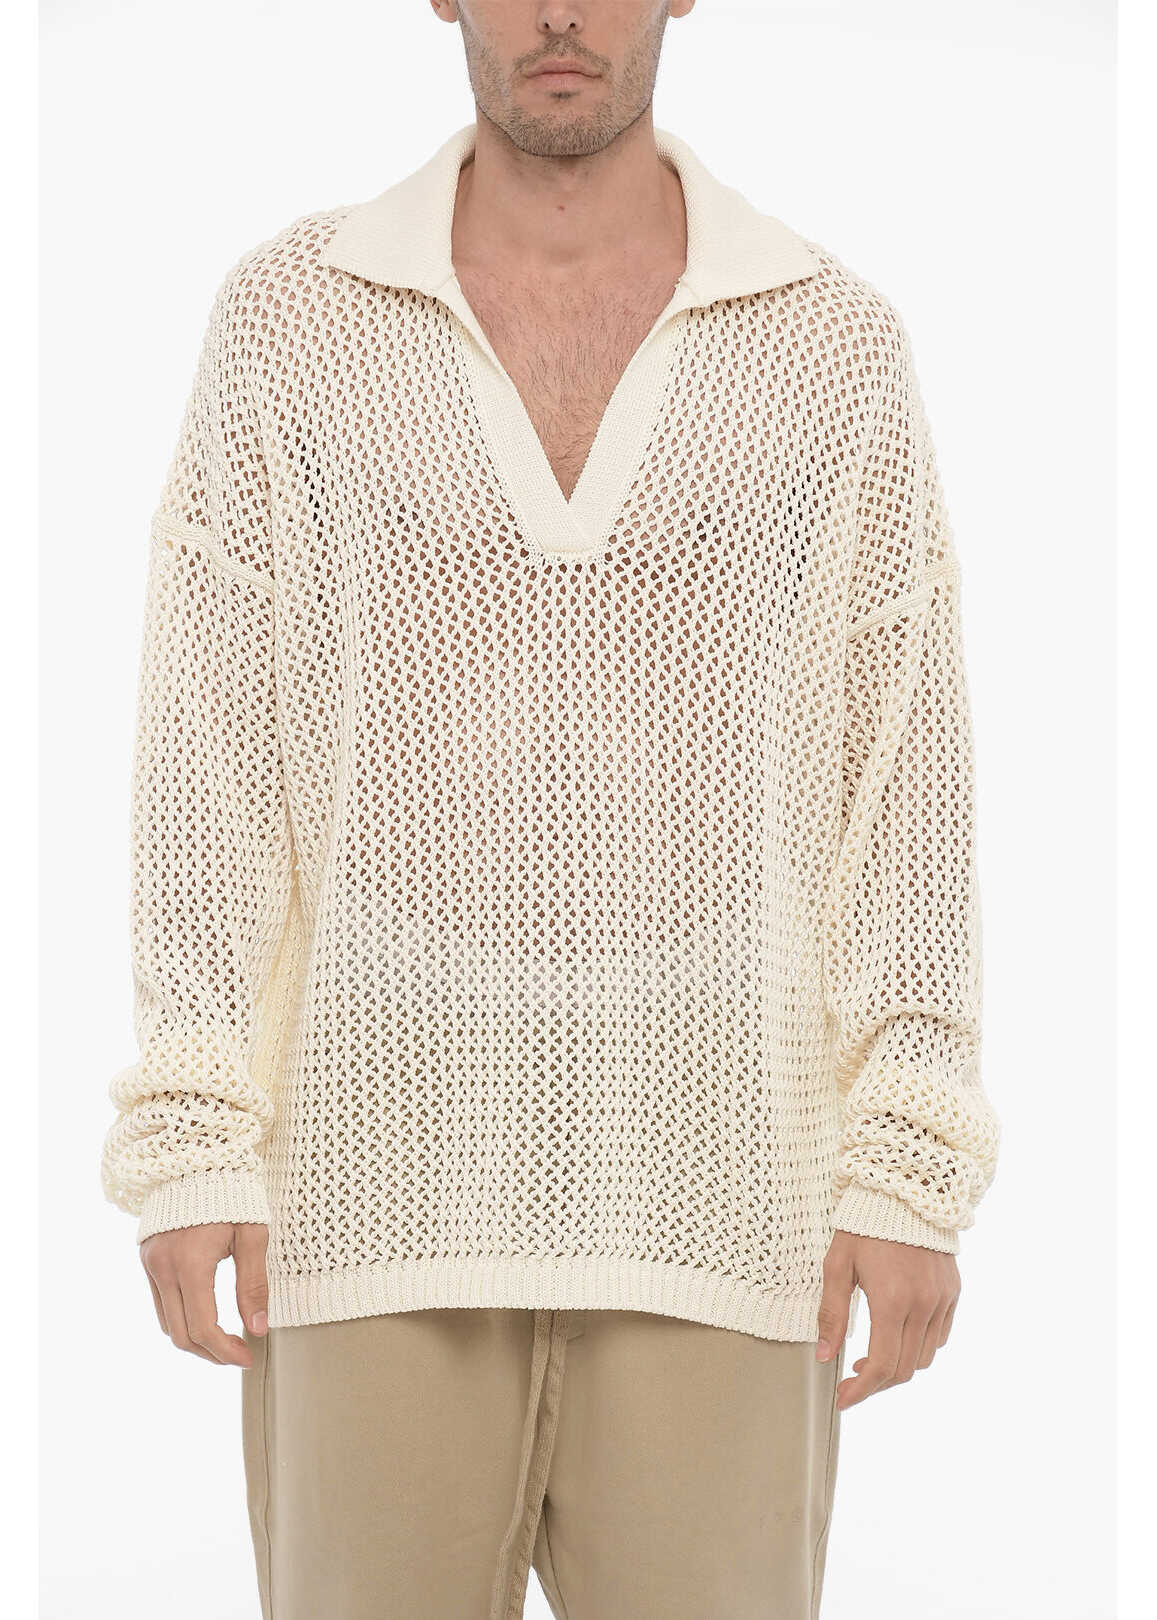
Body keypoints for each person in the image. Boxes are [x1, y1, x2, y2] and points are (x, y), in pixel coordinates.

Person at [100, 3, 1001, 1617]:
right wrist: (190, 1133)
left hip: (724, 1193)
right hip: (370, 1185)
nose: (562, 13)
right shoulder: (292, 320)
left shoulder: (829, 345)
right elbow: (207, 751)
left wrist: (907, 1161)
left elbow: (901, 770)